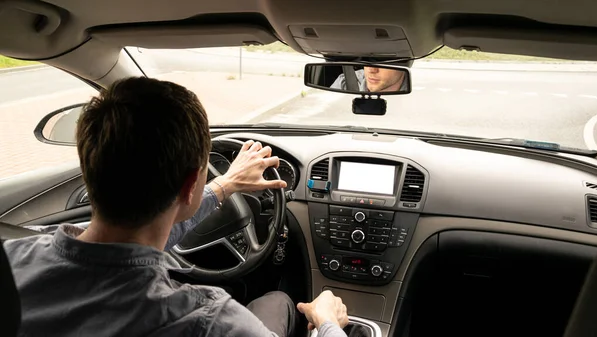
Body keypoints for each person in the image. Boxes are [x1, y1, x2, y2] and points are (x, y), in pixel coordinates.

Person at [2, 77, 349, 337]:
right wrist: (327, 321)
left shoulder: (15, 254)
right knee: (279, 302)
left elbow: (134, 237)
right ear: (188, 185)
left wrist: (225, 186)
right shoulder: (211, 323)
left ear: (89, 169)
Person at [330, 66, 408, 92]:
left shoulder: (416, 94)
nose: (371, 70)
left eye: (384, 62)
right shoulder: (345, 83)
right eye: (367, 59)